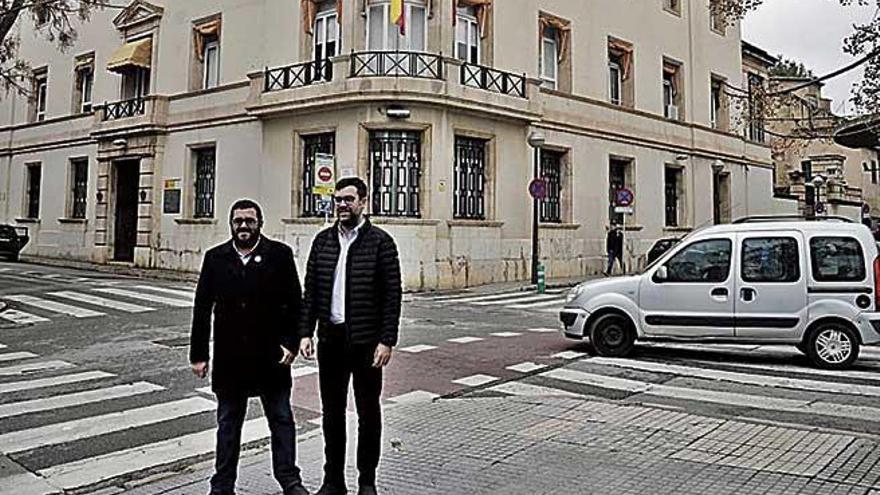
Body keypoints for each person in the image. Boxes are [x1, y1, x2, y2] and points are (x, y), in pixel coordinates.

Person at [190, 199, 309, 495]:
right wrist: (199, 355)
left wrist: (292, 343)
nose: (244, 226)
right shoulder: (215, 258)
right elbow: (202, 307)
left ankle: (290, 480)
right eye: (238, 221)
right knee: (228, 425)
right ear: (231, 224)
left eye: (250, 221)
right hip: (231, 359)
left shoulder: (279, 255)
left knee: (281, 420)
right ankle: (222, 485)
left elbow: (296, 303)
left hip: (271, 357)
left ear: (260, 223)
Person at [299, 177, 402, 495]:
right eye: (338, 199)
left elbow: (392, 294)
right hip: (331, 341)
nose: (342, 205)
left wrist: (387, 340)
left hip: (367, 344)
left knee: (368, 413)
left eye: (348, 199)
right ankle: (333, 481)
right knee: (331, 414)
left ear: (363, 202)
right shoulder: (323, 241)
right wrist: (305, 333)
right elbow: (311, 291)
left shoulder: (381, 242)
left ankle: (367, 481)